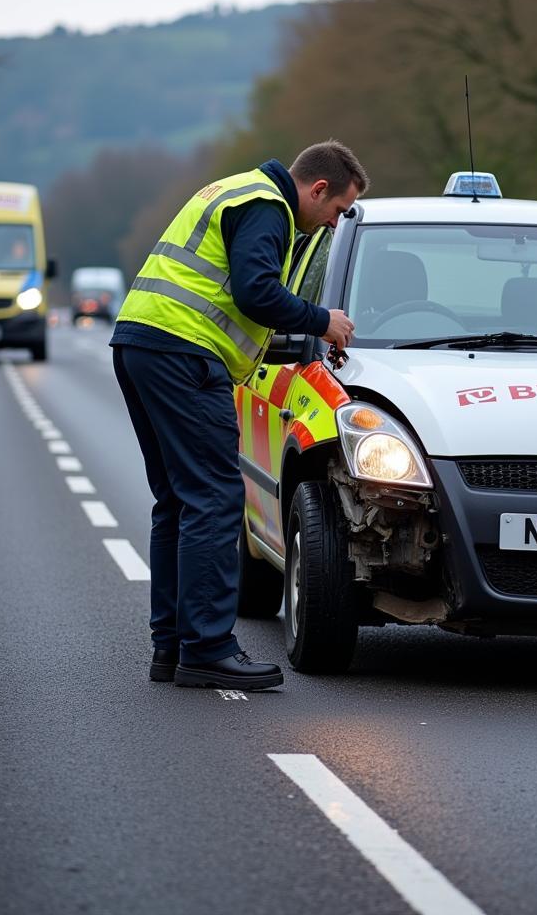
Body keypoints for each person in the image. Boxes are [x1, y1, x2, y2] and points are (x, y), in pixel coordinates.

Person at [110, 140, 367, 690]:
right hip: (183, 352)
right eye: (337, 212)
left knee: (179, 501)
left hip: (144, 344)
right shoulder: (266, 207)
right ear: (318, 189)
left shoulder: (235, 189)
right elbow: (256, 293)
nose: (331, 225)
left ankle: (173, 647)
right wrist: (323, 320)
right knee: (215, 498)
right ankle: (207, 649)